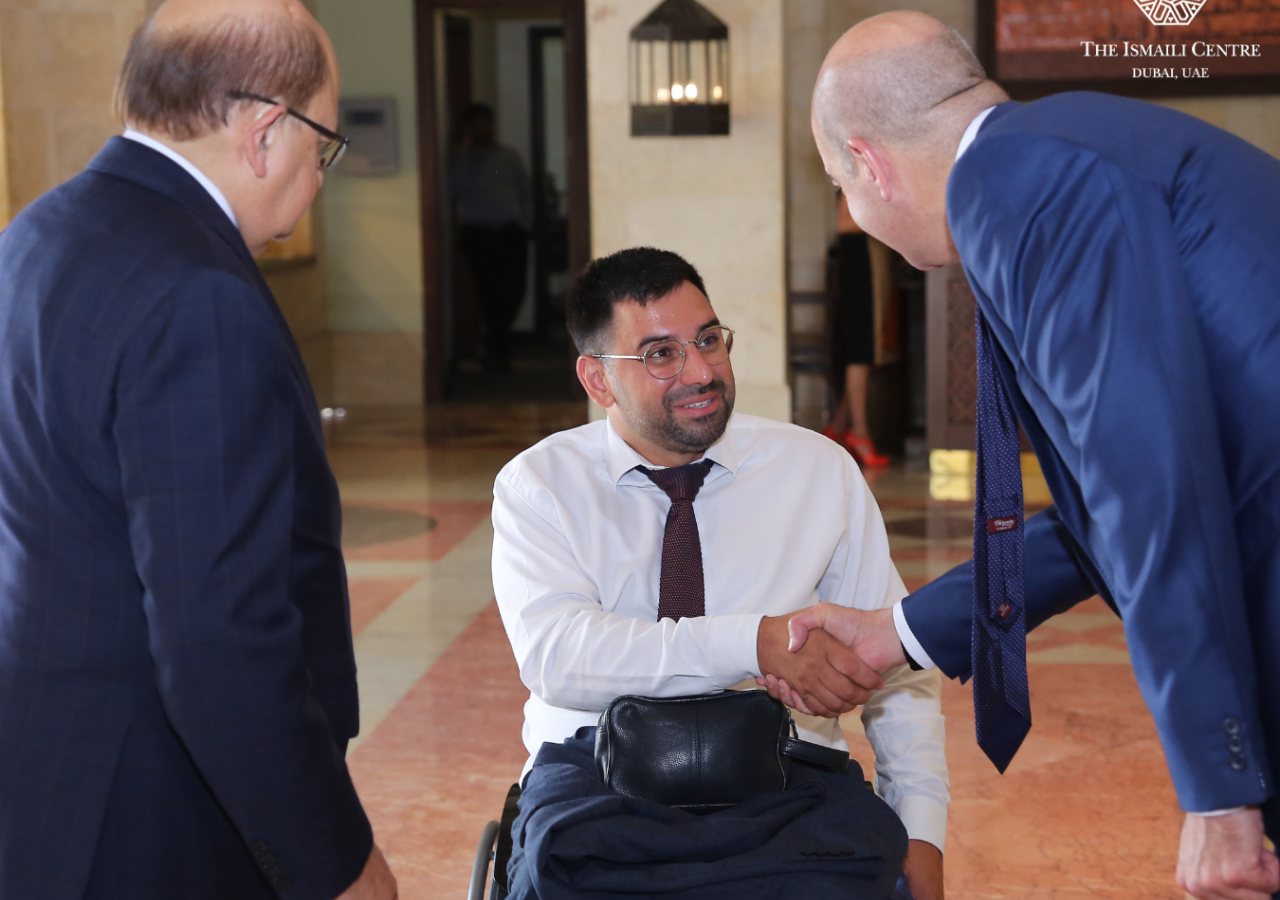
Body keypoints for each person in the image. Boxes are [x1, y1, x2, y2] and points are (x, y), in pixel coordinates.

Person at [766, 11, 1280, 900]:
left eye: (839, 186)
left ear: (869, 163)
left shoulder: (1021, 186)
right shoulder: (1053, 152)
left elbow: (1148, 486)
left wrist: (1219, 792)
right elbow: (1102, 510)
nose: (856, 212)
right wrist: (897, 634)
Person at [0, 1, 397, 898]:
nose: (318, 178)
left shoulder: (39, 232)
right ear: (265, 133)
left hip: (47, 768)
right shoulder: (200, 296)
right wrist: (333, 862)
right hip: (157, 805)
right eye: (322, 148)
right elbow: (219, 638)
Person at [491, 247, 949, 899]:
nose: (701, 371)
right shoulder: (541, 485)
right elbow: (560, 657)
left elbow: (899, 672)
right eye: (660, 354)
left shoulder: (816, 472)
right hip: (598, 781)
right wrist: (756, 643)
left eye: (708, 340)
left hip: (792, 778)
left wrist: (923, 832)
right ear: (597, 380)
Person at [450, 102, 533, 372]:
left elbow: (524, 191)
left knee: (516, 289)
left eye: (486, 124)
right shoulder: (462, 159)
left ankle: (493, 341)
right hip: (478, 235)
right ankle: (499, 352)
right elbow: (457, 191)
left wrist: (526, 224)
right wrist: (463, 155)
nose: (483, 130)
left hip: (510, 233)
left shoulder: (509, 156)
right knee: (488, 295)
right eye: (476, 126)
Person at [823, 191, 890, 467]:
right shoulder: (851, 175)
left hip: (868, 259)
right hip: (858, 261)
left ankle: (838, 428)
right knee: (861, 347)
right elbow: (845, 223)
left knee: (869, 347)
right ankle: (859, 433)